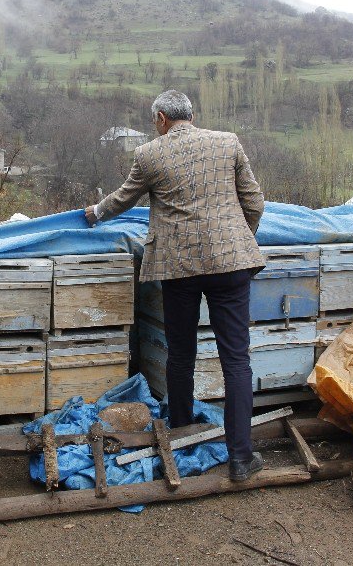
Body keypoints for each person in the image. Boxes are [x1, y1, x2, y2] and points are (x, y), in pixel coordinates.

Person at [85, 90, 266, 481]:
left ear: (161, 118)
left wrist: (94, 213)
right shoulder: (227, 142)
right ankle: (240, 458)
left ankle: (182, 433)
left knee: (181, 354)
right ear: (192, 116)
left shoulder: (149, 154)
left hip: (178, 267)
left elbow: (122, 200)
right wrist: (238, 242)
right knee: (236, 359)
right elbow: (254, 202)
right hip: (229, 265)